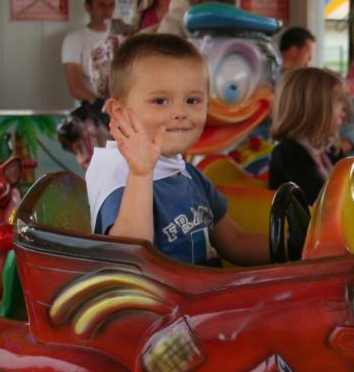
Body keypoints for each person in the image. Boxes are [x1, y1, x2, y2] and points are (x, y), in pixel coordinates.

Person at [85, 33, 270, 266]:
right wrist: (140, 175)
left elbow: (235, 241)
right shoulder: (119, 174)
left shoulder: (191, 176)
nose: (180, 113)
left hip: (206, 295)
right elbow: (130, 260)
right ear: (118, 112)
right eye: (161, 101)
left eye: (192, 101)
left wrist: (297, 247)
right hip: (160, 301)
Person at [268, 67, 348, 204]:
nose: (343, 112)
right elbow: (317, 200)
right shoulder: (288, 153)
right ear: (315, 110)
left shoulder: (329, 149)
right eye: (337, 104)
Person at [61, 0, 116, 102]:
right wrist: (103, 107)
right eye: (101, 5)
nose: (107, 11)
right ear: (88, 7)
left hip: (120, 112)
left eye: (111, 5)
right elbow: (75, 87)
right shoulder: (74, 39)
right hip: (90, 112)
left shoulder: (120, 38)